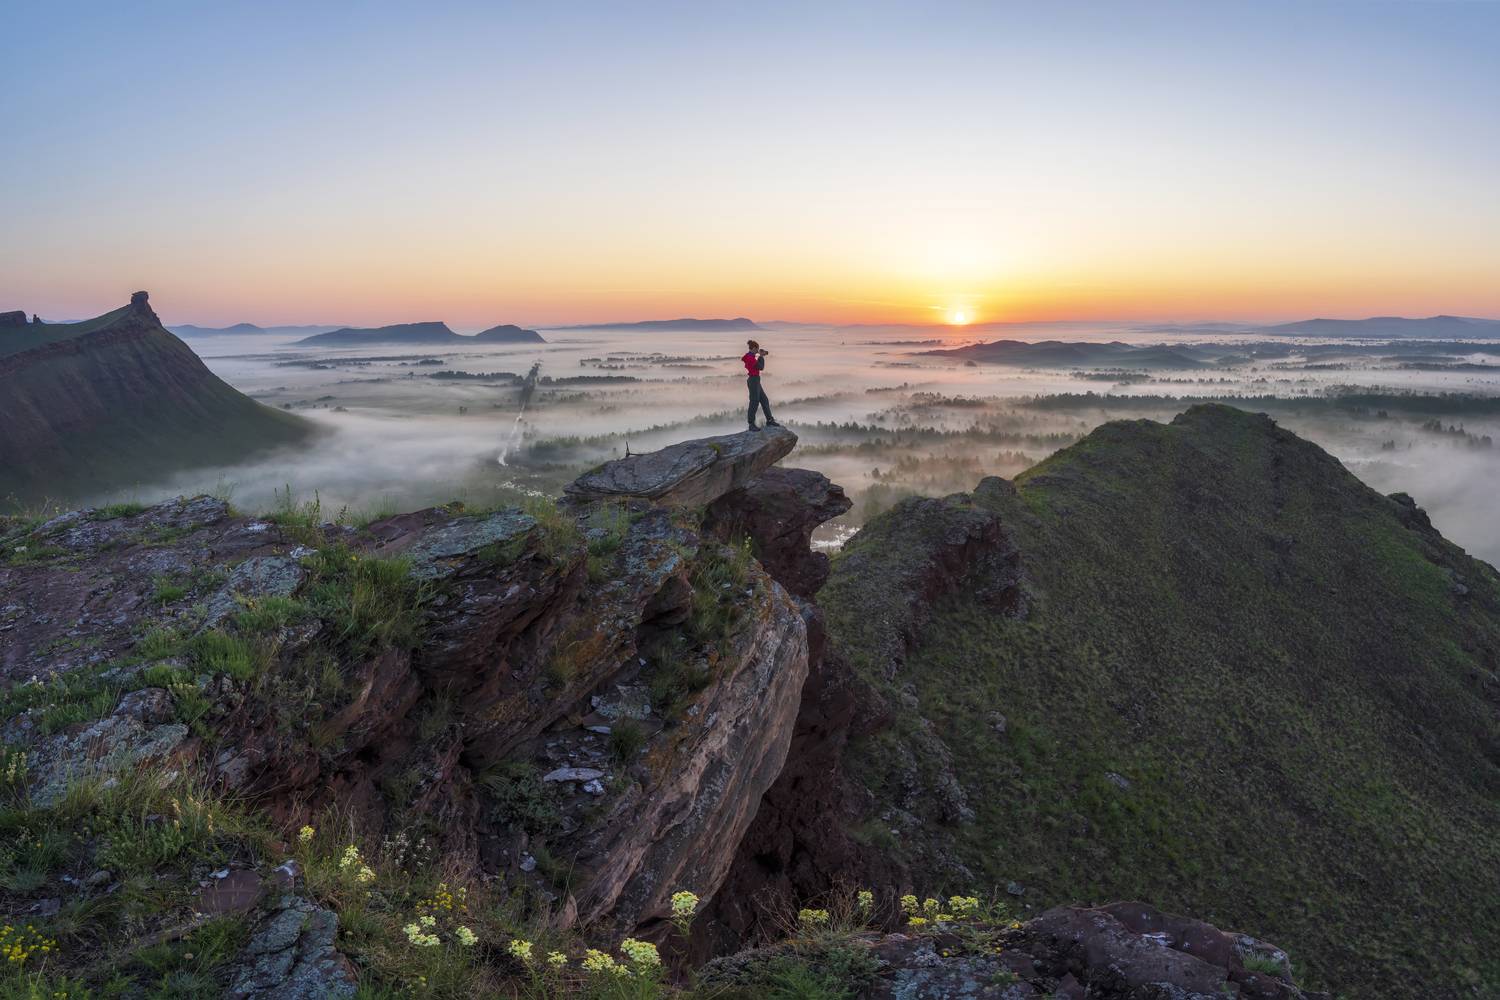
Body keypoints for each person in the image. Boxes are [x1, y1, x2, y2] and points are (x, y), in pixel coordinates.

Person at [742, 339, 778, 431]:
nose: (757, 351)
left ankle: (769, 420)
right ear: (754, 348)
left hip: (755, 380)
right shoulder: (750, 358)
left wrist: (759, 355)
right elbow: (761, 367)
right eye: (757, 349)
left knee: (764, 400)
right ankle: (751, 424)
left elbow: (754, 358)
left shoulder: (750, 356)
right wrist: (761, 357)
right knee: (754, 402)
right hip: (753, 380)